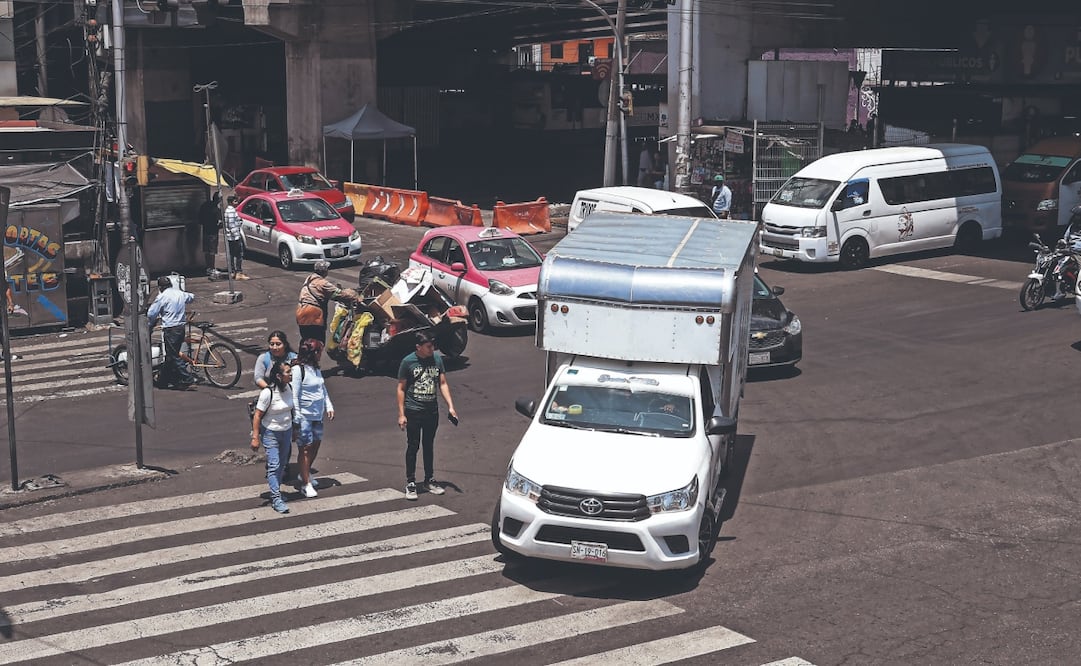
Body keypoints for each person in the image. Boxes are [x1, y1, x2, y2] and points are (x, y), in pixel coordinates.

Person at [397, 330, 458, 501]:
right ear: (419, 347)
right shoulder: (408, 362)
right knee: (413, 446)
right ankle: (411, 482)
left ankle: (429, 479)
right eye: (428, 346)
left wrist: (451, 407)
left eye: (432, 346)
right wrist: (401, 414)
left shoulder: (437, 360)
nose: (432, 349)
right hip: (413, 410)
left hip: (431, 411)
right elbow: (401, 388)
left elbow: (443, 383)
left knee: (428, 445)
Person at [250, 360, 295, 514]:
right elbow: (257, 416)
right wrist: (255, 437)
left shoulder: (289, 388)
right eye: (288, 372)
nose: (291, 374)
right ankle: (276, 498)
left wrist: (295, 430)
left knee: (282, 464)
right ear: (278, 376)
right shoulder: (267, 393)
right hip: (270, 434)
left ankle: (277, 492)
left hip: (286, 431)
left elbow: (291, 410)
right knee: (274, 465)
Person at [291, 338, 334, 498]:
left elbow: (322, 389)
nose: (321, 355)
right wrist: (297, 416)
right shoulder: (298, 370)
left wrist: (329, 405)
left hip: (317, 415)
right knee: (305, 448)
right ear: (313, 353)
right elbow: (294, 395)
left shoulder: (315, 368)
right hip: (304, 417)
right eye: (319, 352)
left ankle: (305, 472)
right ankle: (305, 483)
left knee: (315, 445)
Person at [147, 275, 196, 389]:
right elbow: (191, 297)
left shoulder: (162, 297)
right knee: (170, 356)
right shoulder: (180, 294)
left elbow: (151, 313)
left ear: (160, 287)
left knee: (173, 355)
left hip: (171, 329)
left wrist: (150, 323)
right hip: (181, 328)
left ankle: (188, 378)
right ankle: (163, 381)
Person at [296, 260, 355, 346]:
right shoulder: (323, 283)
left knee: (305, 340)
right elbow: (338, 293)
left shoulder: (309, 278)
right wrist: (355, 297)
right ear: (325, 271)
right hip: (313, 314)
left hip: (301, 311)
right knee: (318, 341)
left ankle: (304, 353)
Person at [223, 195, 248, 280]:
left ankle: (233, 271)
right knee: (239, 255)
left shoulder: (229, 211)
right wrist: (236, 233)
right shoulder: (231, 211)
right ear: (231, 202)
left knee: (232, 254)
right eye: (235, 201)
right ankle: (238, 272)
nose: (236, 203)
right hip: (234, 237)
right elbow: (231, 225)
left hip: (231, 236)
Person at [199, 193, 222, 275]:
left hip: (205, 231)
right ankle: (212, 268)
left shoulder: (205, 206)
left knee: (206, 250)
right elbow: (220, 223)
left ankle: (208, 268)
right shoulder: (216, 210)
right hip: (213, 232)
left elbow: (200, 219)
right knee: (212, 251)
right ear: (219, 200)